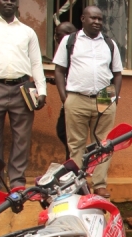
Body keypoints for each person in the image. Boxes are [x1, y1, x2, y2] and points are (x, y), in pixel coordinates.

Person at [0, 0, 48, 195]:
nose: (9, 2)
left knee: (22, 136)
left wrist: (42, 90)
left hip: (22, 88)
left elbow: (36, 63)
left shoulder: (27, 32)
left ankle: (17, 181)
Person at [53, 6, 123, 199]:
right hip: (76, 97)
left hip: (103, 97)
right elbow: (58, 70)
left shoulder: (109, 44)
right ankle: (77, 184)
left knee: (104, 145)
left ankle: (99, 184)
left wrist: (113, 97)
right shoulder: (70, 41)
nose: (97, 22)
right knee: (76, 144)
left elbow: (117, 73)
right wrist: (64, 97)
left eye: (100, 19)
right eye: (93, 18)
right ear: (83, 19)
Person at [45, 21, 77, 160]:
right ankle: (72, 162)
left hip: (77, 100)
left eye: (59, 35)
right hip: (69, 99)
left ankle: (75, 163)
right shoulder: (65, 49)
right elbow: (62, 72)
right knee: (65, 132)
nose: (56, 38)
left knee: (66, 133)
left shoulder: (77, 49)